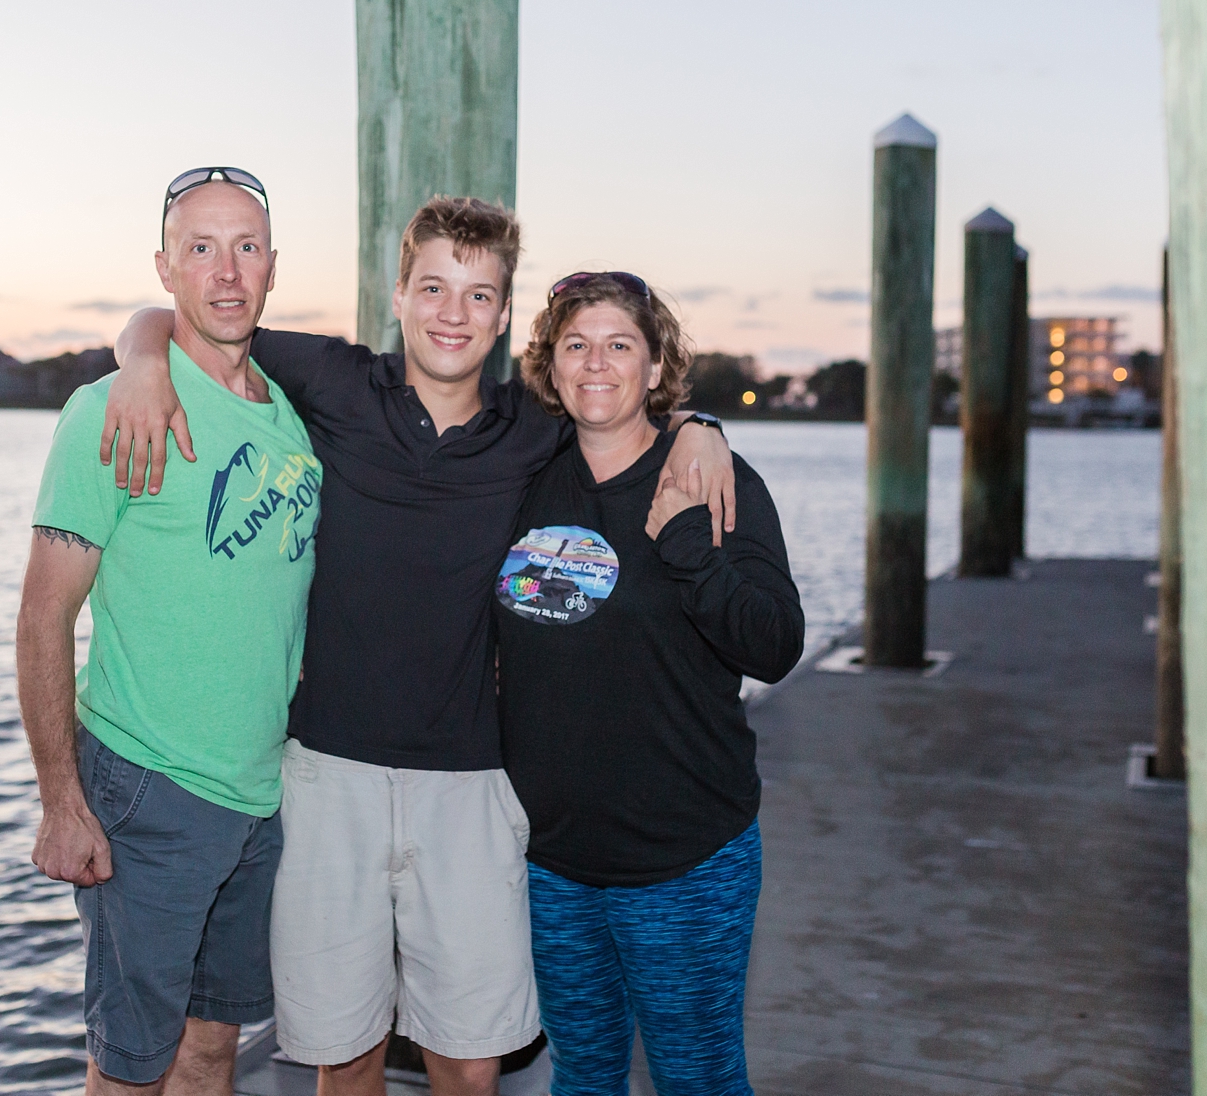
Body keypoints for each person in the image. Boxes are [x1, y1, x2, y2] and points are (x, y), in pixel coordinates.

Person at [98, 197, 739, 1096]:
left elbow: (626, 411)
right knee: (344, 1054)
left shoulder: (533, 430)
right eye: (433, 287)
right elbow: (185, 316)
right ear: (397, 295)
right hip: (328, 777)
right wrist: (137, 359)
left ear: (506, 315)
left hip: (472, 786)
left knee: (469, 1063)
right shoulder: (333, 381)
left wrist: (701, 429)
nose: (452, 312)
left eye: (479, 296)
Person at [15, 167, 322, 1095]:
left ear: (273, 266)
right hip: (148, 792)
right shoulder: (110, 412)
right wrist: (62, 803)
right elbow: (42, 621)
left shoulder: (298, 415)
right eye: (200, 248)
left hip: (260, 796)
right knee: (129, 1069)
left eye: (246, 247)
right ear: (164, 267)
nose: (226, 272)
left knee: (213, 1048)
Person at [494, 271, 804, 1096]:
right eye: (576, 345)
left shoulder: (706, 478)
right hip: (554, 860)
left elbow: (775, 645)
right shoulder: (524, 475)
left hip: (685, 857)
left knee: (696, 1077)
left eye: (620, 345)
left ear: (657, 362)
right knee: (585, 1076)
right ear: (550, 367)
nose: (597, 364)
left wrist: (693, 554)